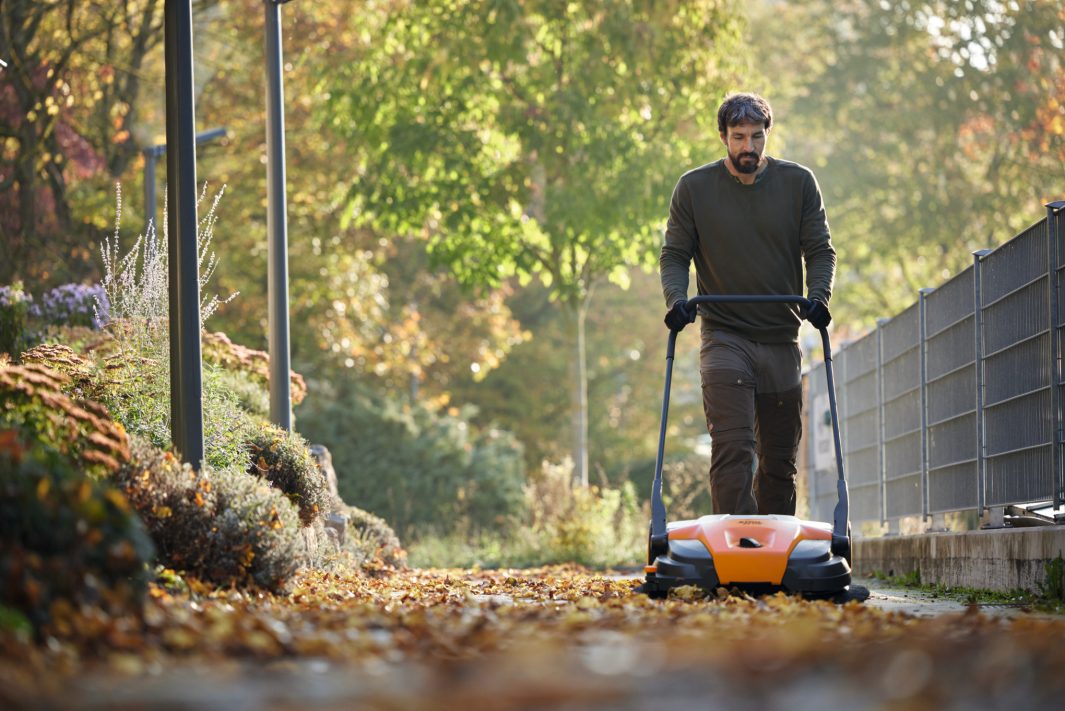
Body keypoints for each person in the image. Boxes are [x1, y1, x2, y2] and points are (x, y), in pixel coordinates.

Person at [659, 92, 836, 516]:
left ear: (767, 136)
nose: (749, 147)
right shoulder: (694, 188)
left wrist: (818, 297)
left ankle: (774, 552)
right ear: (723, 137)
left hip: (781, 337)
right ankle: (734, 550)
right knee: (733, 449)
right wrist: (678, 300)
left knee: (778, 463)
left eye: (757, 137)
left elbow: (821, 250)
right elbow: (674, 254)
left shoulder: (798, 183)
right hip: (724, 335)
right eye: (739, 137)